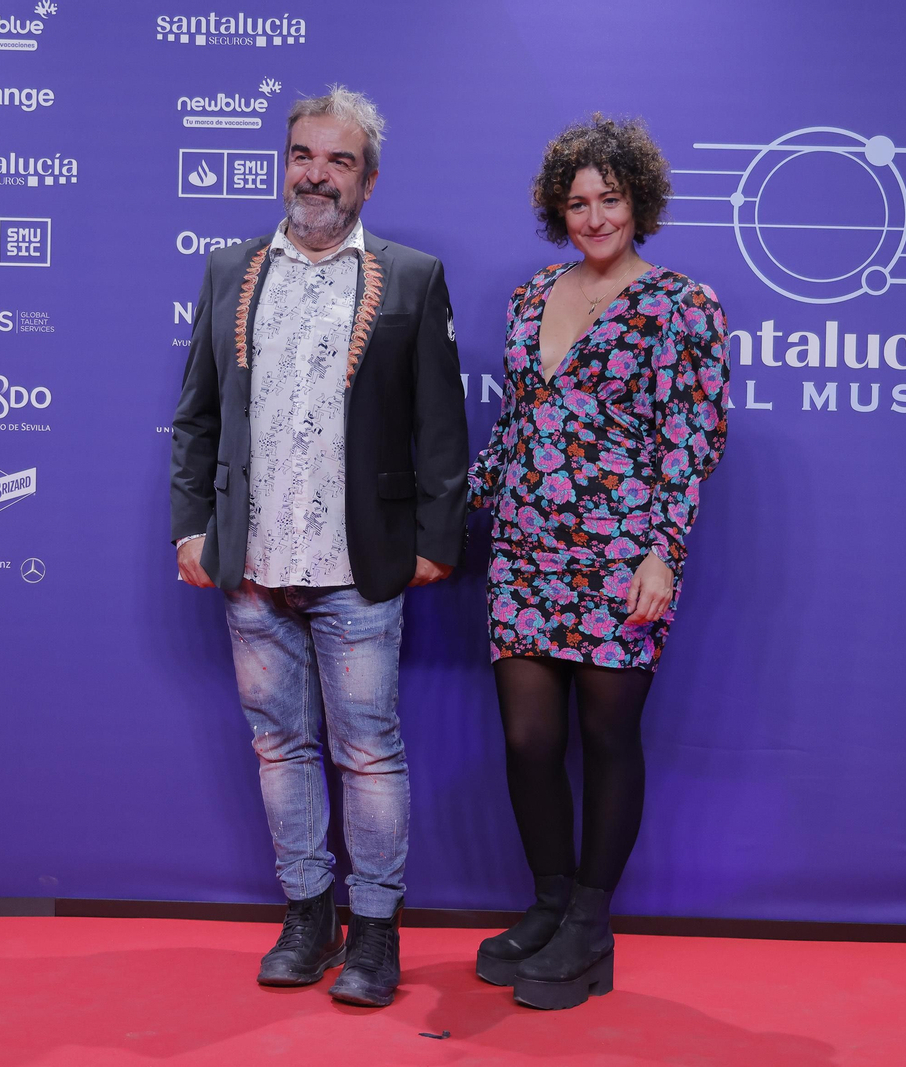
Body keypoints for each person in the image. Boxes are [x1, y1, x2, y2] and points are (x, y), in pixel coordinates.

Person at [170, 86, 468, 1007]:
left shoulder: (411, 278)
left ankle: (375, 932)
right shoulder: (230, 271)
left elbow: (441, 429)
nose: (318, 174)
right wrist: (192, 524)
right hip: (251, 562)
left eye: (340, 161)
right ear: (284, 162)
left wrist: (434, 539)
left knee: (368, 752)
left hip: (361, 565)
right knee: (279, 747)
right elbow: (197, 417)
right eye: (305, 154)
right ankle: (308, 916)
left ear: (368, 180)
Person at [466, 114, 729, 1010]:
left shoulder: (683, 306)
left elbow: (690, 442)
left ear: (638, 202)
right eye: (576, 202)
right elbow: (515, 424)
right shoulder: (535, 292)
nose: (593, 216)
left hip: (622, 554)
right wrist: (454, 509)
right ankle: (546, 903)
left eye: (609, 199)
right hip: (525, 550)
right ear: (556, 209)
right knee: (529, 740)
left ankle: (589, 923)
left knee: (608, 737)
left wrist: (664, 553)